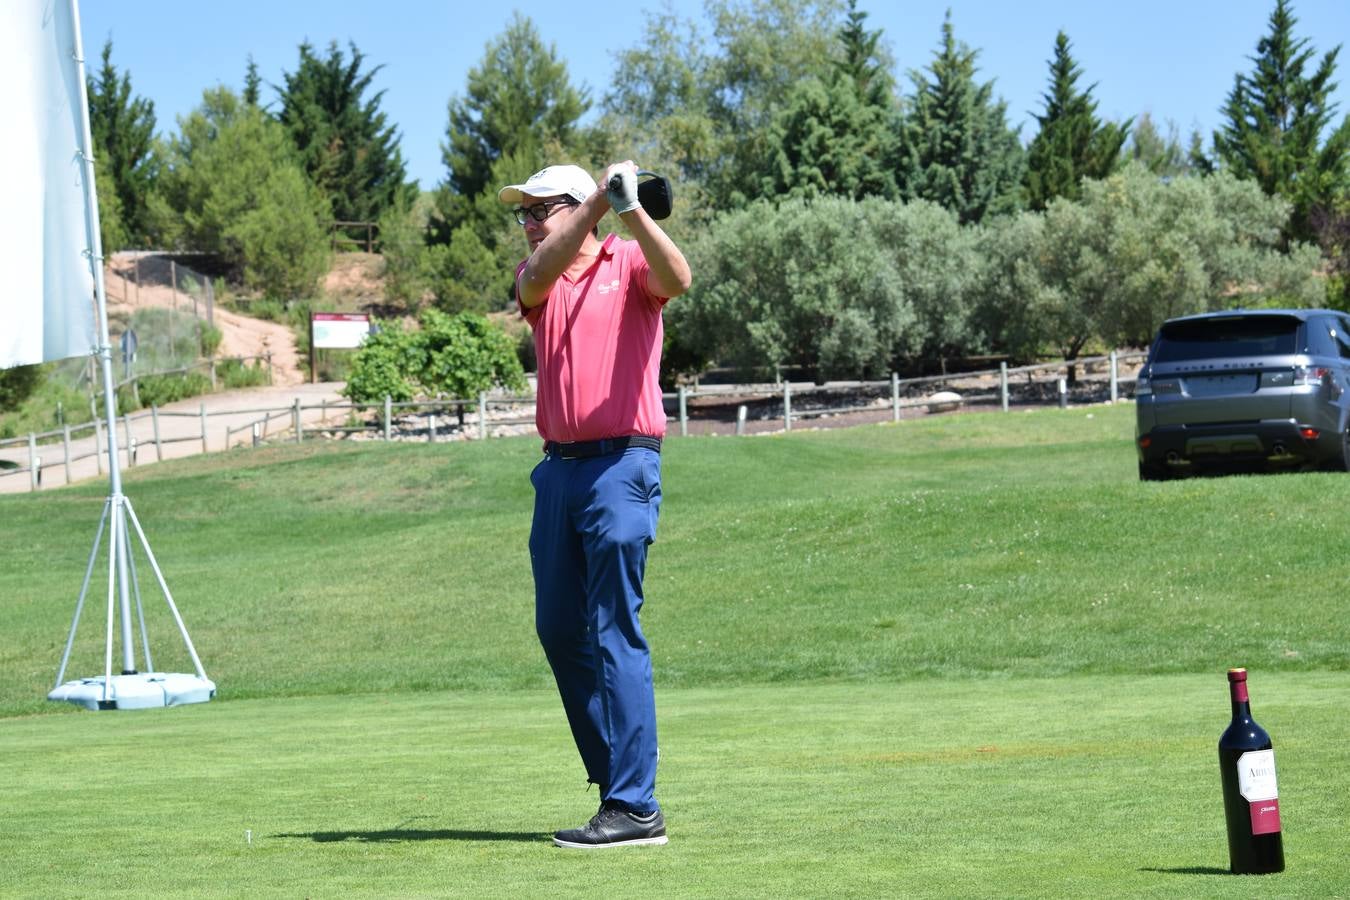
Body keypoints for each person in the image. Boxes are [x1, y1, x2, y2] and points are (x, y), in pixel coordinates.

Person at [498, 162, 692, 849]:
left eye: (536, 210)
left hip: (622, 464)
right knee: (558, 629)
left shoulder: (631, 261)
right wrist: (593, 209)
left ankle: (634, 805)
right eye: (521, 213)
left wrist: (629, 208)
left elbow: (678, 278)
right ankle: (621, 783)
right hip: (558, 472)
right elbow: (542, 269)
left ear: (575, 204)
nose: (525, 223)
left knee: (615, 627)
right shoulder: (538, 279)